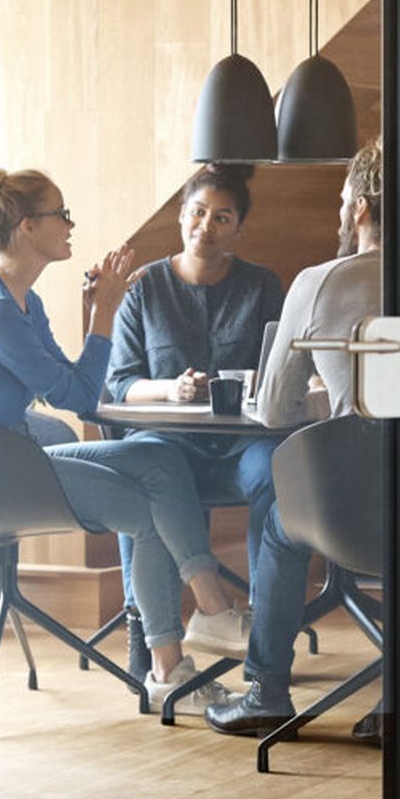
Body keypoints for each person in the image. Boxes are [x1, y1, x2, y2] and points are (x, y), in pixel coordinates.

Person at [205, 141, 400, 738]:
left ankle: (267, 692)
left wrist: (334, 395)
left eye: (343, 201)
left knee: (278, 518)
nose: (339, 213)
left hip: (353, 514)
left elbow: (272, 412)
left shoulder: (318, 282)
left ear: (365, 207)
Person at [0, 167, 246, 717]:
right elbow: (82, 399)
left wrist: (95, 315)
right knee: (146, 509)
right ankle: (173, 662)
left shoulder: (22, 302)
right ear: (28, 227)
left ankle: (207, 614)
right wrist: (106, 311)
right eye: (61, 214)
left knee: (157, 455)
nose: (70, 224)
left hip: (15, 453)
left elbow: (77, 381)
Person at [104, 162, 281, 675]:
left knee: (277, 473)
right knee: (145, 468)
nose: (206, 226)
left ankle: (265, 632)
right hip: (170, 446)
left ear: (238, 228)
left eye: (222, 217)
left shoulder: (263, 285)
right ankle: (147, 629)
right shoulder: (143, 289)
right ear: (181, 216)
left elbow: (281, 371)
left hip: (243, 447)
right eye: (198, 213)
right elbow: (121, 383)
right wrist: (172, 390)